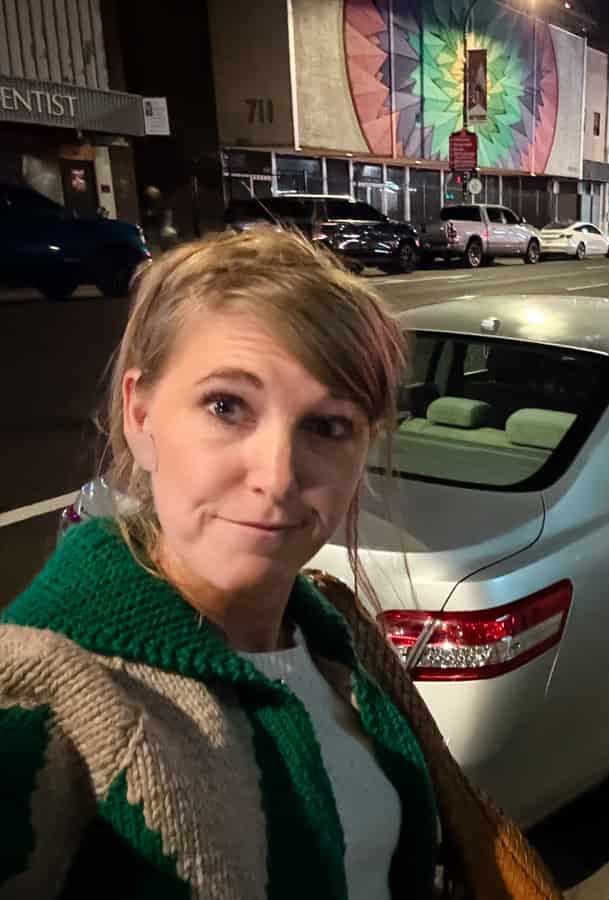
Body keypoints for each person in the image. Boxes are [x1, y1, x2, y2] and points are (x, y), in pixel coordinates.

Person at [0, 229, 560, 900]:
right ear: (141, 414)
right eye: (226, 406)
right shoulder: (50, 692)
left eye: (328, 426)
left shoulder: (330, 627)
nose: (277, 477)